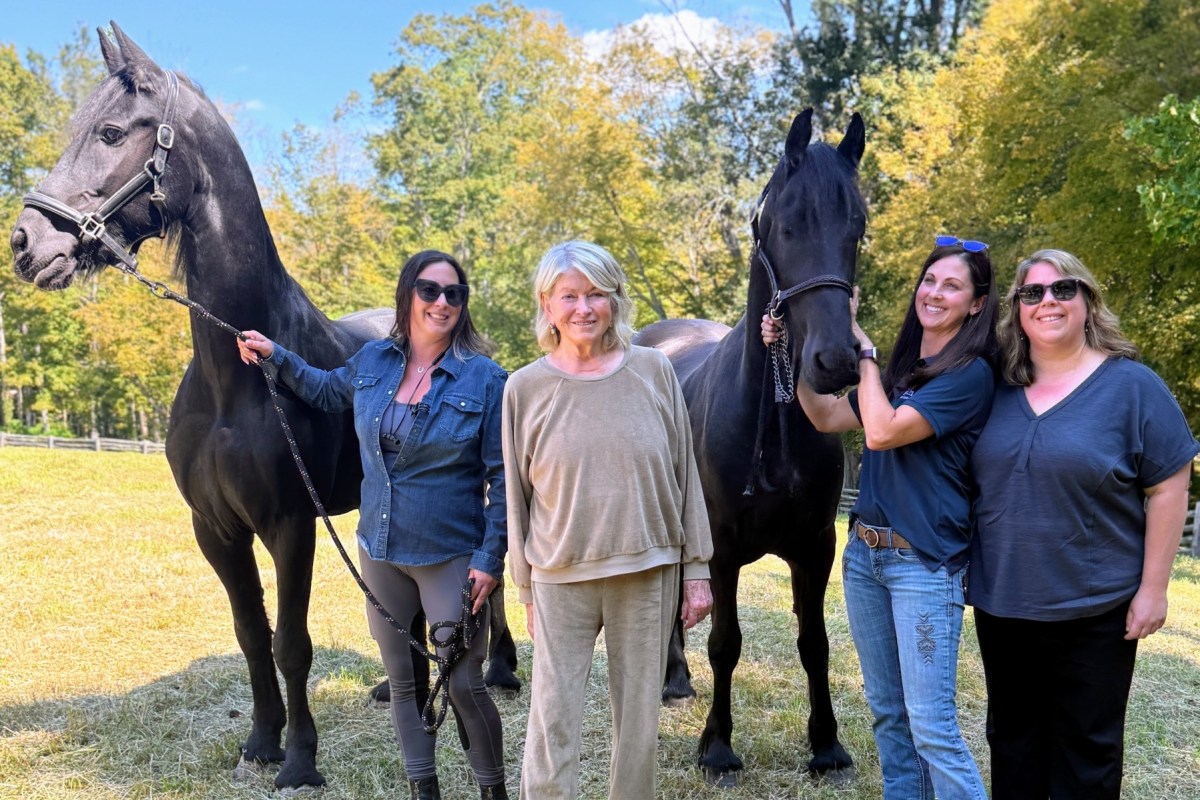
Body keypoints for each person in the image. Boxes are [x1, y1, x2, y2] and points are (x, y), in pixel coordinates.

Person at [236, 250, 509, 800]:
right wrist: (275, 356)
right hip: (379, 551)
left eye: (454, 294)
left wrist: (489, 559)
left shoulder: (486, 380)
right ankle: (422, 789)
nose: (442, 303)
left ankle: (493, 791)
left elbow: (503, 480)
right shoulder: (374, 362)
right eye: (430, 290)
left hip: (450, 555)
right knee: (404, 684)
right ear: (408, 293)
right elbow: (324, 389)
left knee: (463, 682)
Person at [762, 235, 997, 799]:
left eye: (953, 285)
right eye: (930, 280)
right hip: (866, 558)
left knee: (932, 727)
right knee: (889, 715)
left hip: (923, 563)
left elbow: (884, 431)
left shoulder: (969, 374)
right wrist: (793, 344)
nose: (934, 293)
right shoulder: (900, 371)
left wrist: (861, 347)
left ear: (976, 304)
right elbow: (821, 414)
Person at [967, 249, 1197, 799]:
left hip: (1096, 611)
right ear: (1018, 311)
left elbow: (1168, 484)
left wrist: (1154, 589)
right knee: (1013, 747)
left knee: (1086, 757)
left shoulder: (1132, 386)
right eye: (1032, 293)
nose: (1048, 301)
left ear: (1088, 302)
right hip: (1005, 605)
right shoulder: (993, 386)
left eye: (1063, 289)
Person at [502, 240, 715, 800]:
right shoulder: (523, 387)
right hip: (559, 576)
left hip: (646, 573)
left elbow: (684, 473)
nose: (584, 307)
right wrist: (524, 586)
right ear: (546, 304)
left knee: (639, 723)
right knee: (552, 721)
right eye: (569, 295)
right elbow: (516, 497)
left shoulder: (655, 370)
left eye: (598, 293)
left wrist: (697, 569)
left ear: (616, 300)